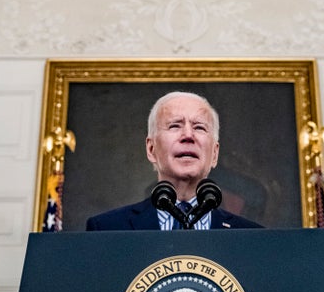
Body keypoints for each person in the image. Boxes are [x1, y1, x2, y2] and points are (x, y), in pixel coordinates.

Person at [86, 90, 262, 230]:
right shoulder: (107, 229)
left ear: (214, 154)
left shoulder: (251, 237)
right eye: (174, 126)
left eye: (199, 127)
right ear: (151, 149)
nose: (188, 135)